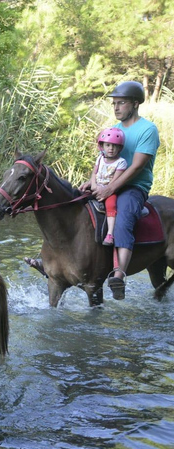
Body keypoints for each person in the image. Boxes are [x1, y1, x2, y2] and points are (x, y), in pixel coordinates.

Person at [79, 81, 160, 300]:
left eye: (121, 103)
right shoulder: (115, 130)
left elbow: (137, 166)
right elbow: (104, 161)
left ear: (135, 104)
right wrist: (91, 182)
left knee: (123, 217)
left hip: (133, 187)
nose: (116, 108)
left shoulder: (147, 129)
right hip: (107, 185)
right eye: (114, 103)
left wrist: (109, 189)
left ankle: (119, 274)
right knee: (74, 205)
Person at [90, 127, 128, 246]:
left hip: (109, 191)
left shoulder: (121, 162)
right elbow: (94, 174)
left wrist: (104, 190)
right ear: (102, 146)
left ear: (120, 148)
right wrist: (93, 185)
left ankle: (110, 234)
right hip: (96, 187)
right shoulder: (100, 158)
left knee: (111, 206)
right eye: (108, 145)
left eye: (114, 146)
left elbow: (115, 181)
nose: (111, 148)